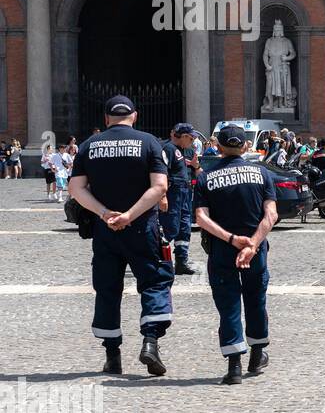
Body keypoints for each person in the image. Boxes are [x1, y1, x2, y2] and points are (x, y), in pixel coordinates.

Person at [67, 95, 173, 377]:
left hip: (105, 231)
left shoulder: (89, 146)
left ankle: (112, 356)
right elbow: (160, 187)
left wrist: (104, 213)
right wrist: (130, 215)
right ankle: (150, 342)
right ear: (134, 116)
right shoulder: (149, 142)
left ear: (106, 119)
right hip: (143, 228)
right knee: (154, 282)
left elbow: (76, 189)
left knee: (107, 289)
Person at [192, 124, 277, 385]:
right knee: (256, 300)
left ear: (217, 147)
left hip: (222, 249)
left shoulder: (206, 176)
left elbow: (201, 217)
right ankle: (257, 353)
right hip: (256, 250)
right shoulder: (262, 174)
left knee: (228, 304)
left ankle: (234, 366)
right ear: (245, 146)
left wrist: (232, 239)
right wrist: (251, 244)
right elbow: (271, 215)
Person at [158, 123, 201, 275]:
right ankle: (157, 259)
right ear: (183, 136)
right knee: (171, 227)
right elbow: (162, 173)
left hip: (184, 192)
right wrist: (162, 196)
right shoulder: (169, 149)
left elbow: (197, 172)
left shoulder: (184, 150)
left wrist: (195, 166)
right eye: (191, 137)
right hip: (174, 192)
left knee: (184, 228)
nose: (193, 140)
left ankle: (181, 261)